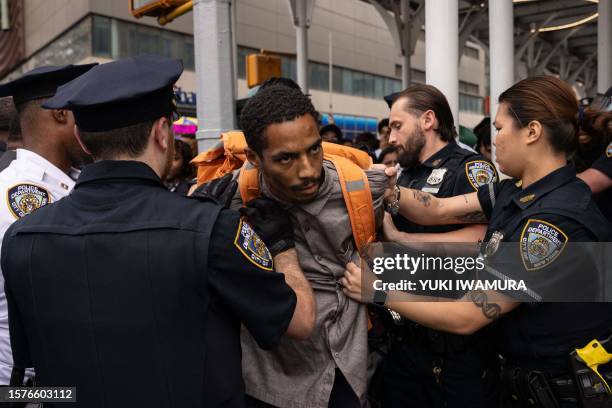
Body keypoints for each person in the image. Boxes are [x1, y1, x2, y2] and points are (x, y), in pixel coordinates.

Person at [1, 56, 315, 407]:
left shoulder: (21, 239)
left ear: (83, 139)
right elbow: (300, 321)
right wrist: (282, 246)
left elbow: (29, 369)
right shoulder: (211, 230)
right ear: (163, 133)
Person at [342, 75, 612, 407]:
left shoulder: (554, 220)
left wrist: (377, 290)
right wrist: (389, 190)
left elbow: (468, 315)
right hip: (519, 382)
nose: (494, 140)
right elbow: (438, 209)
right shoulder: (516, 189)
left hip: (558, 392)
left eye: (500, 128)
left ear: (532, 132)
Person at [197, 83, 390, 407]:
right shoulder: (228, 199)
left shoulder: (361, 187)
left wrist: (382, 287)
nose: (308, 170)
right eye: (286, 158)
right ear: (255, 158)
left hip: (347, 376)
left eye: (314, 149)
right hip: (270, 385)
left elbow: (431, 235)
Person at [376, 84, 499, 408]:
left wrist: (404, 241)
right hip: (404, 340)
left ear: (428, 120)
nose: (390, 137)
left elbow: (482, 240)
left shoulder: (470, 168)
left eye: (397, 126)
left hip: (453, 348)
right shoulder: (404, 175)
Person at [0, 63, 97, 386]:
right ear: (62, 114)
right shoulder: (18, 197)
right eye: (86, 110)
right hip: (23, 393)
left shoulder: (67, 184)